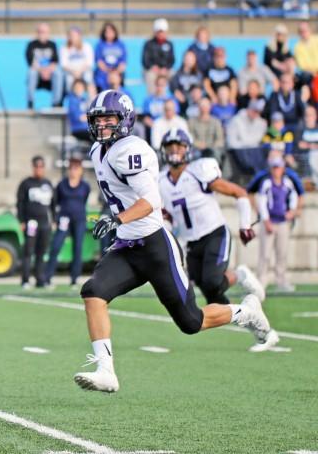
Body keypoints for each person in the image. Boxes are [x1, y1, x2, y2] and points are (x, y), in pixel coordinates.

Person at [74, 90, 276, 394]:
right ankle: (106, 371)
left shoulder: (132, 150)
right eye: (98, 118)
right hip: (127, 247)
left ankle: (245, 311)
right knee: (93, 292)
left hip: (155, 246)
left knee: (191, 322)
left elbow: (151, 201)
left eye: (109, 118)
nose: (102, 124)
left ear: (124, 120)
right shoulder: (97, 152)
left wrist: (116, 219)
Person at [158, 129, 270, 343]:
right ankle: (258, 326)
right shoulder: (160, 180)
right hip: (191, 241)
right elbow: (166, 214)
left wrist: (245, 223)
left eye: (179, 146)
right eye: (170, 146)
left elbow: (239, 192)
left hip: (214, 234)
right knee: (214, 295)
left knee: (211, 281)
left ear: (188, 149)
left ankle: (241, 275)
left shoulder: (199, 171)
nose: (174, 150)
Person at [253, 156, 300, 293]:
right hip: (270, 222)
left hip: (283, 222)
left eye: (278, 167)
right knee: (265, 254)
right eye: (274, 167)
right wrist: (266, 220)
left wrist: (292, 211)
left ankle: (282, 281)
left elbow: (294, 196)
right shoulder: (266, 183)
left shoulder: (287, 183)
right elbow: (262, 202)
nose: (276, 170)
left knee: (282, 253)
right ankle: (261, 283)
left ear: (283, 168)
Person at [45, 155, 90, 287]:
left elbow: (84, 200)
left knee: (77, 248)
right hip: (64, 219)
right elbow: (54, 202)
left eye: (76, 168)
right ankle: (48, 277)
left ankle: (74, 278)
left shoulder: (85, 186)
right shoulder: (62, 184)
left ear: (81, 170)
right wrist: (55, 219)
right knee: (56, 246)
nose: (74, 171)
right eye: (71, 168)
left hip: (79, 220)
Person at [16, 155, 54, 289]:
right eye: (36, 166)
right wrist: (21, 221)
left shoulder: (48, 184)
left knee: (41, 252)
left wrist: (53, 220)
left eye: (41, 166)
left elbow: (52, 205)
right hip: (31, 222)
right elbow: (20, 203)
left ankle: (40, 279)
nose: (39, 169)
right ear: (33, 167)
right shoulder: (26, 183)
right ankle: (25, 280)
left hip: (45, 223)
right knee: (28, 251)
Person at [228, 99, 269, 177]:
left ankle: (261, 177)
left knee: (262, 151)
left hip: (254, 151)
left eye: (258, 111)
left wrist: (247, 143)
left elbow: (258, 140)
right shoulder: (236, 120)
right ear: (249, 109)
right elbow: (231, 143)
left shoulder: (261, 123)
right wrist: (247, 144)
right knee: (249, 152)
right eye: (254, 110)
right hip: (238, 152)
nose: (256, 113)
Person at [25, 22, 63, 109]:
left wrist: (47, 70)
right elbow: (31, 62)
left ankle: (56, 103)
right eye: (40, 31)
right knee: (31, 73)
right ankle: (30, 102)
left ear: (48, 33)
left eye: (44, 32)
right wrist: (42, 70)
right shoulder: (31, 44)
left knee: (58, 73)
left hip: (49, 72)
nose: (42, 34)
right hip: (37, 71)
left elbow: (55, 61)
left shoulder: (52, 44)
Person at [141, 18, 174, 94]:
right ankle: (152, 98)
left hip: (165, 70)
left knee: (174, 75)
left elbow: (172, 60)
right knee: (150, 76)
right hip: (152, 70)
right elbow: (145, 60)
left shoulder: (169, 44)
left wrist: (165, 68)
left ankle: (170, 98)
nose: (160, 34)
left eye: (162, 32)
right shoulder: (148, 44)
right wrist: (153, 67)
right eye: (159, 32)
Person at [94, 22, 125, 91]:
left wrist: (116, 71)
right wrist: (108, 71)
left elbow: (123, 63)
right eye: (107, 32)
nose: (109, 34)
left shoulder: (120, 44)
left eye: (111, 31)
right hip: (104, 71)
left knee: (115, 77)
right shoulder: (100, 45)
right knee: (102, 77)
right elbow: (99, 62)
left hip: (116, 71)